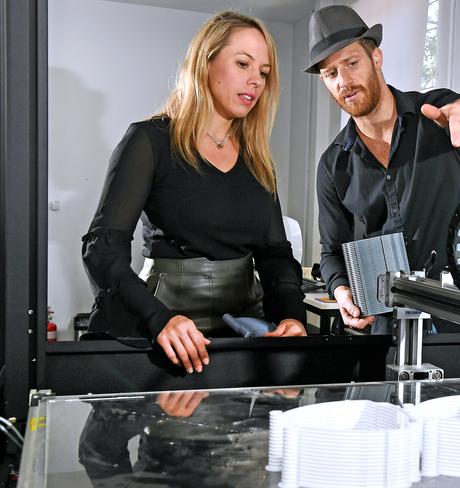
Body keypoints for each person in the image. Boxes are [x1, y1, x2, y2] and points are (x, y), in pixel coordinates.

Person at [82, 11, 307, 375]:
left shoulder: (257, 158)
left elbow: (275, 254)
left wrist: (292, 317)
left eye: (263, 73)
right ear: (206, 62)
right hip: (162, 329)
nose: (255, 81)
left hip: (242, 334)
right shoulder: (148, 141)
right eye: (243, 63)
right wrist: (160, 319)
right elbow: (102, 250)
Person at [305, 5, 460, 333]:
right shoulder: (333, 164)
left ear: (376, 58)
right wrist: (341, 292)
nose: (344, 81)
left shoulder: (435, 114)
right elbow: (331, 252)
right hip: (390, 317)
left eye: (352, 63)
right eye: (331, 74)